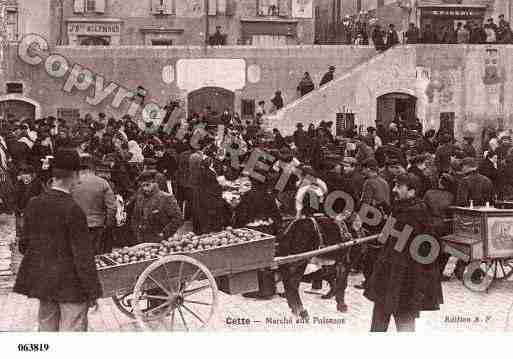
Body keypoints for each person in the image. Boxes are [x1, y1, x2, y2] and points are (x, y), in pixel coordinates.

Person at [14, 149, 102, 331]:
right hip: (71, 287)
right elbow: (83, 256)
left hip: (44, 282)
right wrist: (92, 291)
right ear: (75, 175)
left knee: (46, 330)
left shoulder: (34, 204)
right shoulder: (73, 210)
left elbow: (24, 246)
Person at [365, 173, 443, 332]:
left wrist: (389, 231)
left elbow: (398, 244)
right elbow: (387, 237)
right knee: (387, 317)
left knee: (399, 318)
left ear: (412, 191)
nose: (394, 190)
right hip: (392, 274)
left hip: (404, 277)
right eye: (394, 186)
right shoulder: (405, 209)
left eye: (399, 187)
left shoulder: (414, 214)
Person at [72, 155, 117, 254]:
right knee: (96, 256)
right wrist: (108, 224)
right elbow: (112, 207)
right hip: (97, 225)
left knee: (79, 253)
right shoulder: (102, 183)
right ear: (92, 168)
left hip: (76, 225)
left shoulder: (71, 183)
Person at [130, 170, 183, 244]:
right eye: (142, 186)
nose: (145, 189)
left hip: (163, 241)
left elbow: (178, 218)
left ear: (155, 183)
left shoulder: (166, 198)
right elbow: (135, 217)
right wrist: (137, 233)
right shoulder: (140, 199)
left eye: (148, 185)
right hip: (143, 240)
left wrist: (164, 234)